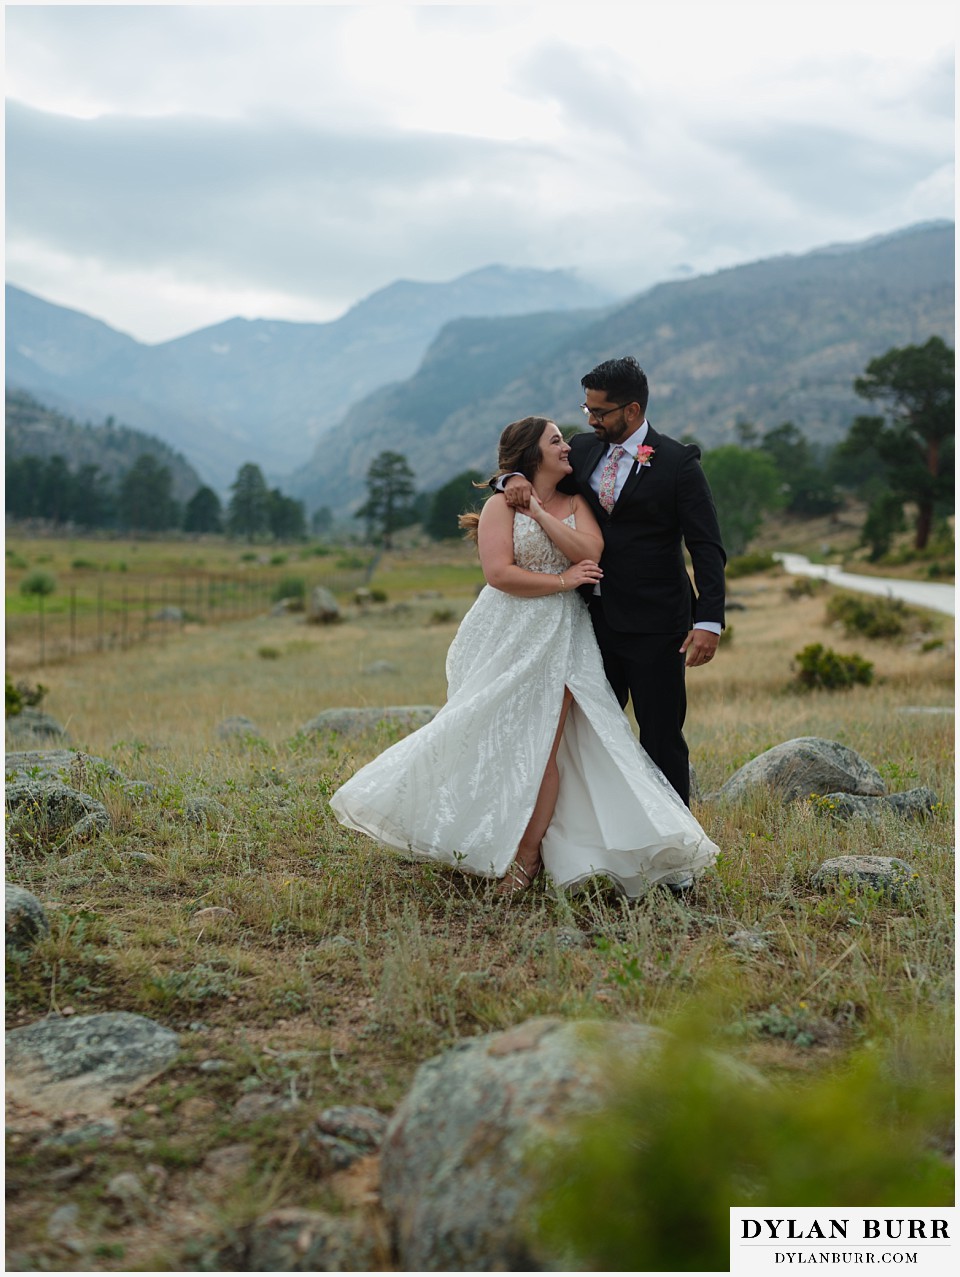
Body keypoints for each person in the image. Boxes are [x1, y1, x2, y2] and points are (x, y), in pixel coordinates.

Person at [329, 415, 719, 897]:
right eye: (556, 440)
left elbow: (592, 550)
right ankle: (473, 834)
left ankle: (530, 857)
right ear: (533, 455)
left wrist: (538, 513)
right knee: (485, 732)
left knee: (550, 744)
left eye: (573, 430)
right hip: (505, 631)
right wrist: (552, 562)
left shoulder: (579, 491)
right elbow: (498, 574)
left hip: (565, 636)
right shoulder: (501, 503)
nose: (570, 443)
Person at [499, 357, 726, 806]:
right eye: (586, 410)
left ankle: (674, 857)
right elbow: (531, 470)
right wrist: (511, 478)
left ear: (632, 411)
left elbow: (707, 547)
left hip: (657, 626)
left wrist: (710, 621)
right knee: (589, 734)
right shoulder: (581, 449)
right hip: (589, 620)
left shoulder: (679, 464)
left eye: (599, 412)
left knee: (661, 737)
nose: (590, 420)